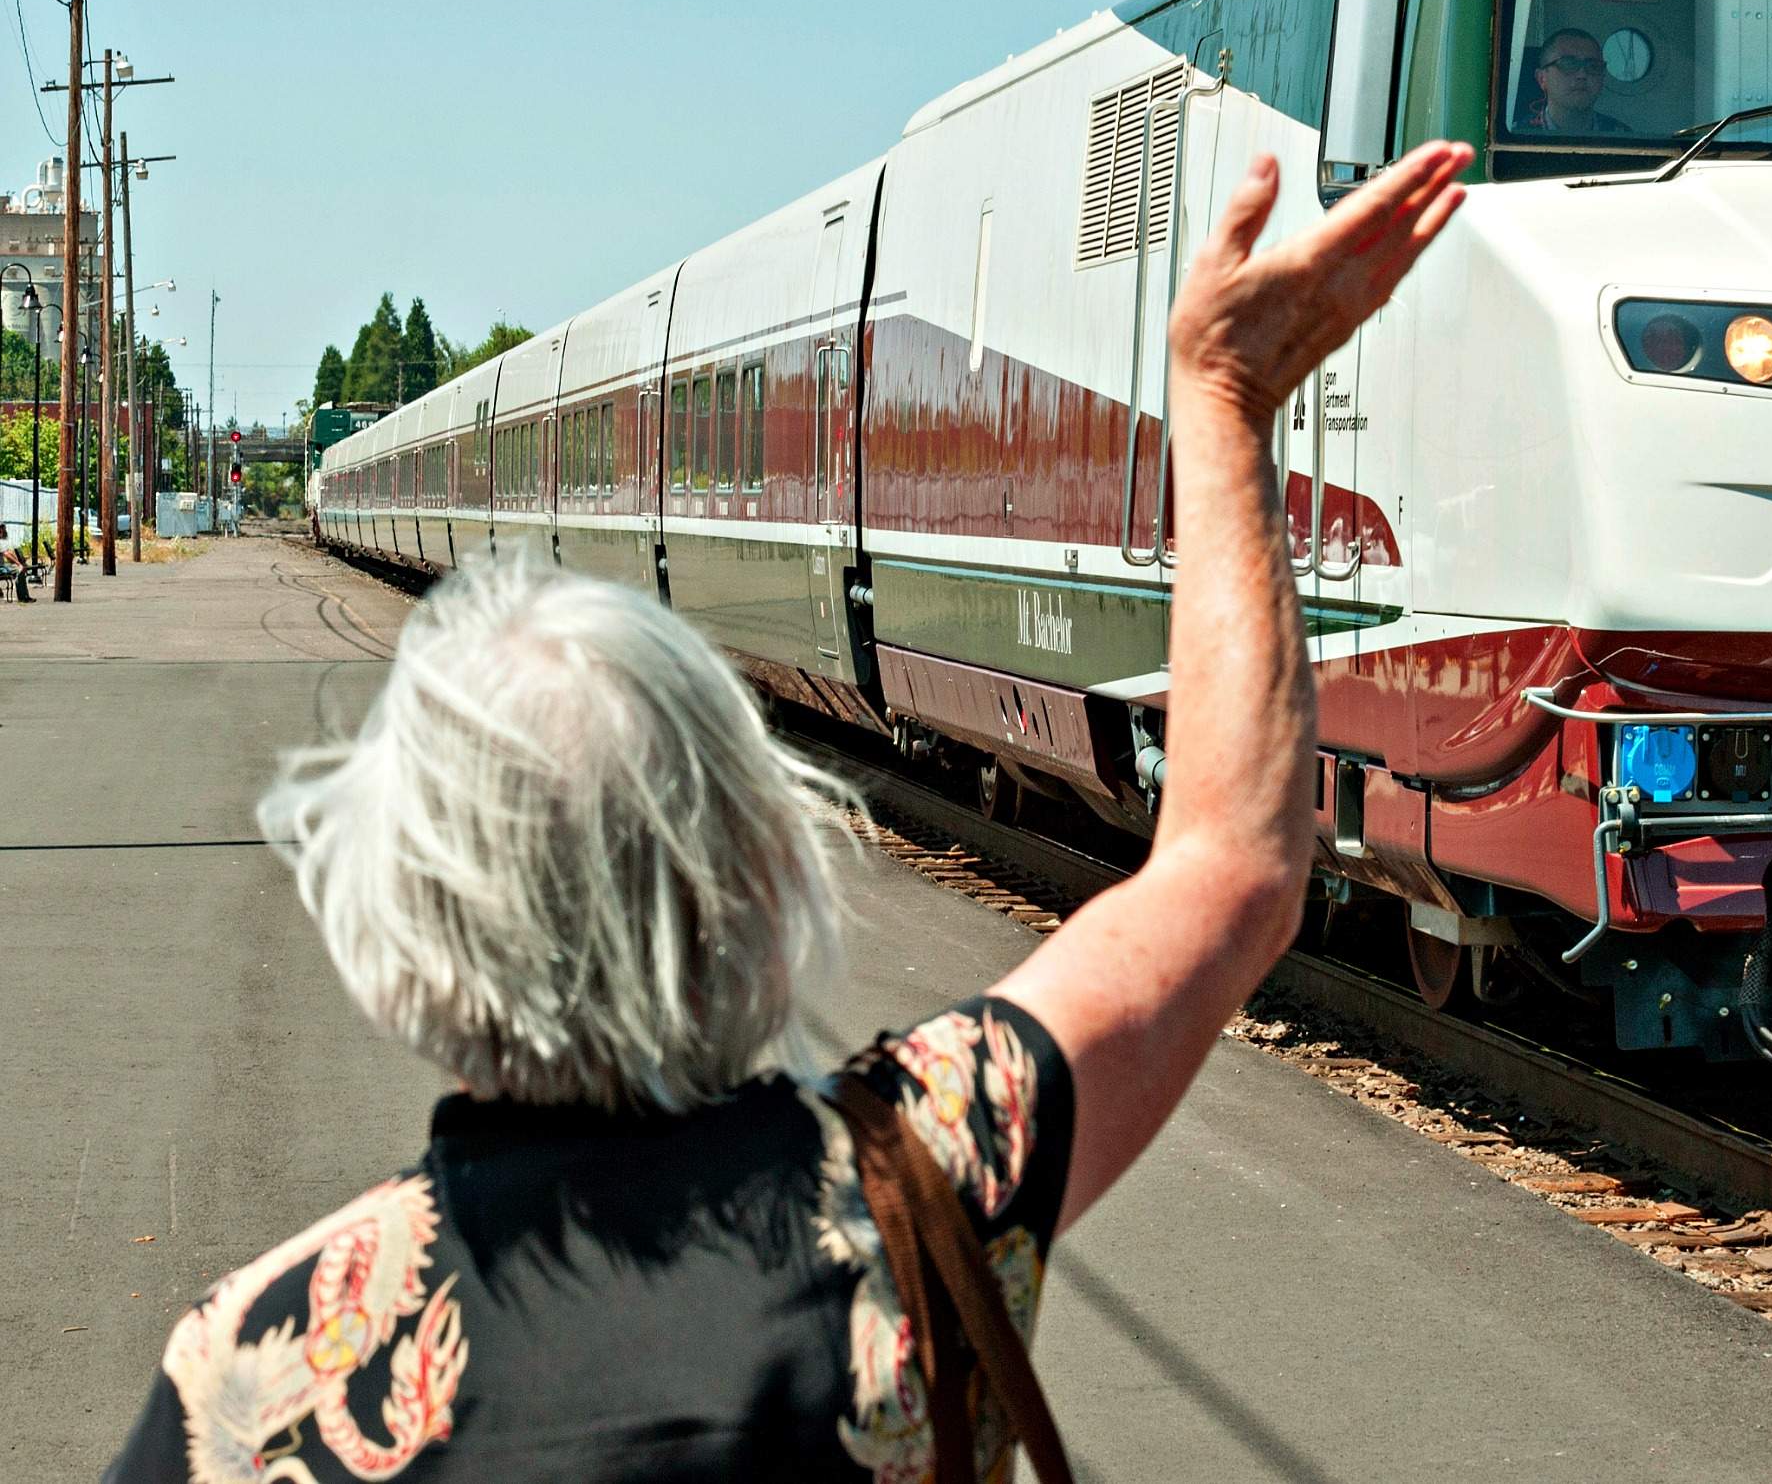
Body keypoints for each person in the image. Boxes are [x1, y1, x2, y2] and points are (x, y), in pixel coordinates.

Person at [102, 140, 1470, 1483]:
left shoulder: (257, 1373)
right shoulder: (923, 1173)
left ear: (397, 922)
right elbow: (1232, 861)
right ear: (762, 864)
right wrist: (1222, 402)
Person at [1520, 27, 1631, 136]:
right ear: (1542, 78)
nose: (1582, 75)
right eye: (1568, 64)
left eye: (1593, 66)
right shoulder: (1517, 136)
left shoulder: (1624, 136)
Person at [0, 521, 27, 601]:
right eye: (4, 529)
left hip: (2, 566)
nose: (6, 531)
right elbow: (6, 553)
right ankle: (23, 597)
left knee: (18, 568)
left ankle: (24, 596)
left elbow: (8, 553)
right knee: (19, 570)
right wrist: (19, 564)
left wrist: (18, 561)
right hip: (1, 568)